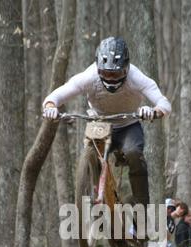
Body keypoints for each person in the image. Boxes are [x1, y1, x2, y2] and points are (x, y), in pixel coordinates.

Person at [43, 37, 171, 236]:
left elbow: (164, 104)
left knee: (133, 154)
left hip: (128, 123)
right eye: (106, 73)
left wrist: (152, 111)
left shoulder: (137, 78)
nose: (111, 79)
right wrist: (51, 107)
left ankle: (141, 213)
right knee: (91, 153)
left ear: (126, 69)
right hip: (100, 122)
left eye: (116, 73)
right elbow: (57, 95)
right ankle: (98, 204)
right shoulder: (88, 76)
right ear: (97, 68)